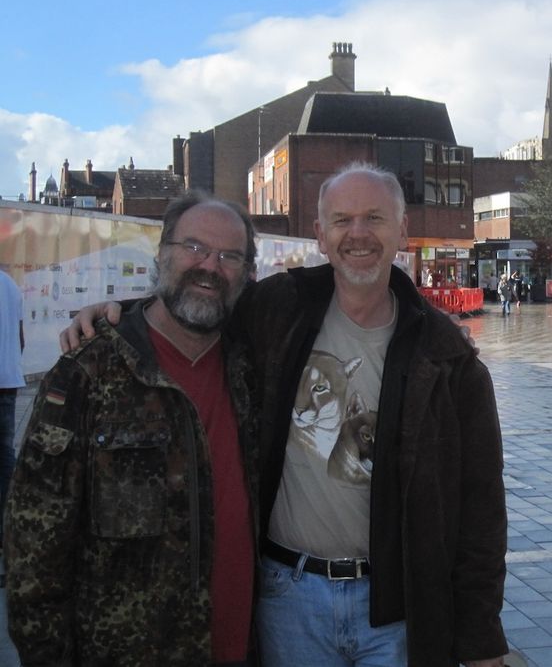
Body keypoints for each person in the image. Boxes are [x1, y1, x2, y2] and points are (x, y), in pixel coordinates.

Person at [60, 167, 508, 666]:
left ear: (402, 230)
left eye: (375, 218)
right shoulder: (279, 309)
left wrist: (482, 639)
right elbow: (197, 301)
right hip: (287, 599)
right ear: (320, 235)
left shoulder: (448, 359)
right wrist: (123, 313)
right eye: (342, 219)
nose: (357, 233)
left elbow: (482, 510)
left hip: (398, 609)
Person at [5, 192, 259, 665]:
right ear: (162, 254)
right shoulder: (87, 373)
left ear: (246, 273)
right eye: (194, 247)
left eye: (229, 256)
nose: (209, 266)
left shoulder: (254, 370)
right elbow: (32, 558)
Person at [0, 268, 25, 543]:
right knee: (5, 456)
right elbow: (21, 338)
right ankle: (11, 522)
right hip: (8, 380)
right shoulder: (10, 284)